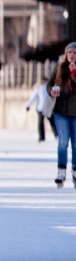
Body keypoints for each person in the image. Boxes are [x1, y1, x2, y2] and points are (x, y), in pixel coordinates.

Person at [46, 42, 76, 188]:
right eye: (69, 52)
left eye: (75, 53)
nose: (72, 55)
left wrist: (74, 73)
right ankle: (61, 170)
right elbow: (49, 84)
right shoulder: (59, 67)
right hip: (61, 112)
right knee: (63, 142)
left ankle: (75, 169)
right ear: (65, 55)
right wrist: (51, 91)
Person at [26, 76, 57, 142]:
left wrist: (28, 105)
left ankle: (41, 137)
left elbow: (33, 98)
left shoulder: (38, 88)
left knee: (41, 123)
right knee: (52, 122)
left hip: (41, 108)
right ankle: (56, 135)